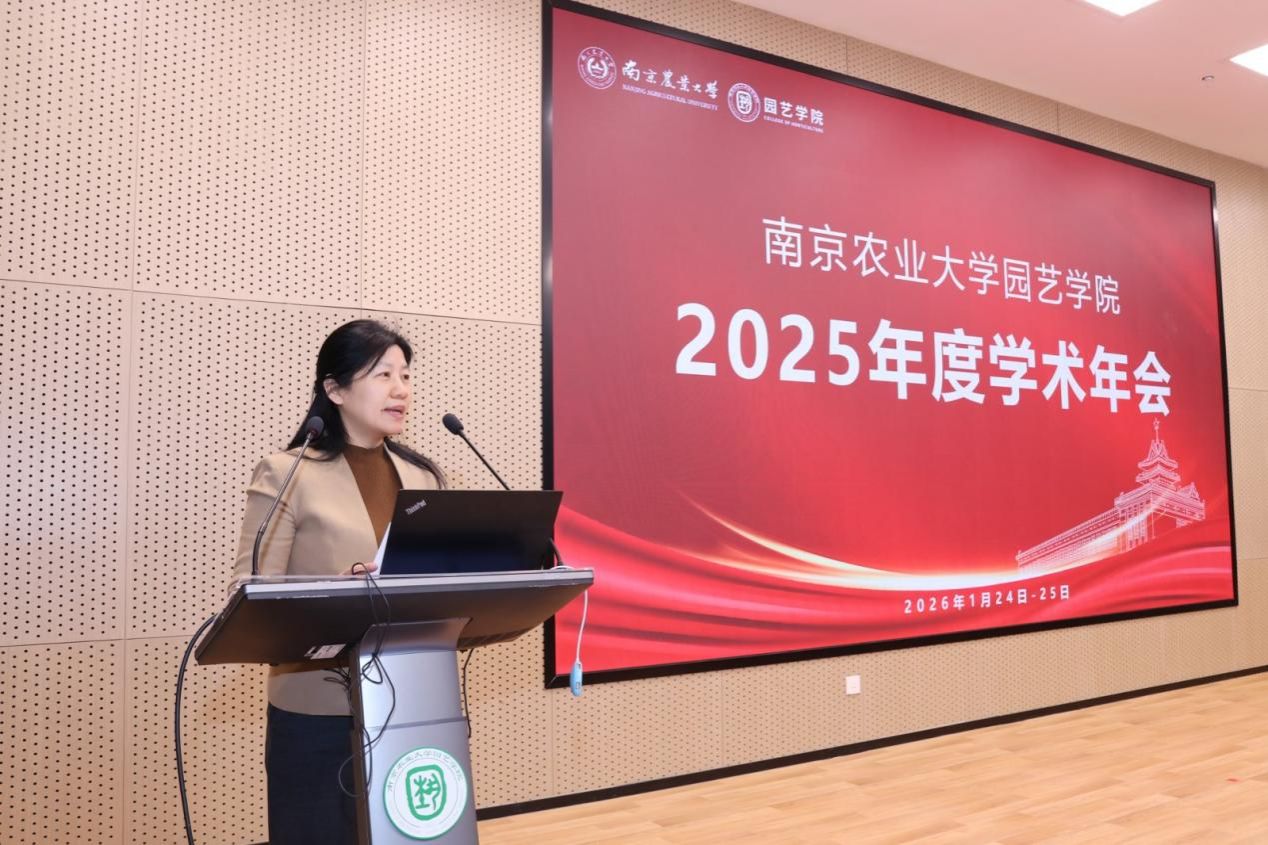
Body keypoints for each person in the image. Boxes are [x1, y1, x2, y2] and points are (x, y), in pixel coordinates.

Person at [233, 319, 446, 843]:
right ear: (335, 390)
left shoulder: (424, 478)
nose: (401, 389)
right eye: (382, 375)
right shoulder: (287, 473)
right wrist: (339, 590)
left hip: (413, 701)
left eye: (405, 375)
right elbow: (249, 595)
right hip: (318, 709)